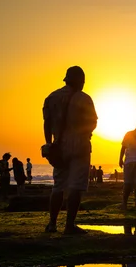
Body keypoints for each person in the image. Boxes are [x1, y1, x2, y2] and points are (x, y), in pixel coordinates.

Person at [42, 66, 97, 234]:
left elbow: (46, 123)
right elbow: (93, 122)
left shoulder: (51, 97)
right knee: (76, 186)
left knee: (58, 186)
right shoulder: (84, 98)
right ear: (80, 81)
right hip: (79, 145)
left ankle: (52, 224)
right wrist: (85, 133)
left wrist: (49, 143)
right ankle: (69, 225)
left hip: (58, 146)